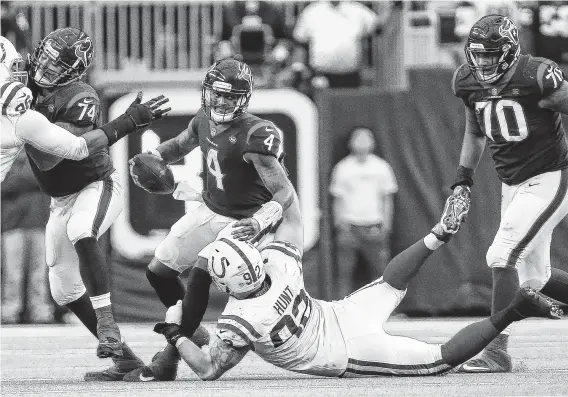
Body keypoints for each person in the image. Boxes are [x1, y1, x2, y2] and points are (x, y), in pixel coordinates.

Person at [152, 182, 562, 380]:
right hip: (338, 314)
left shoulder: (241, 318)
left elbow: (208, 368)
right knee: (388, 284)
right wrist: (261, 220)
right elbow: (290, 209)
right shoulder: (277, 261)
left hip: (343, 350)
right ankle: (437, 234)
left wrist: (177, 333)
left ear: (227, 285)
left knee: (440, 360)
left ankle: (514, 310)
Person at [124, 55, 296, 382]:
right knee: (159, 271)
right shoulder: (204, 117)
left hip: (246, 220)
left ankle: (170, 357)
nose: (220, 101)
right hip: (211, 206)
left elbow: (284, 192)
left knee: (202, 271)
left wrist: (261, 221)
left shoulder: (255, 135)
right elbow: (180, 145)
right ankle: (195, 331)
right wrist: (155, 157)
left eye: (229, 96)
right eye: (216, 94)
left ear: (243, 100)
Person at [23, 27, 170, 380]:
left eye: (56, 64)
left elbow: (58, 154)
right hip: (60, 199)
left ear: (74, 71)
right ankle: (126, 360)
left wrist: (124, 123)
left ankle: (108, 325)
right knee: (62, 289)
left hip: (96, 184)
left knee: (81, 228)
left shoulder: (79, 95)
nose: (45, 67)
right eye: (43, 57)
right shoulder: (18, 82)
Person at [447, 14, 568, 373]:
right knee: (536, 279)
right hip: (511, 182)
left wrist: (548, 104)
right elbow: (475, 133)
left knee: (501, 256)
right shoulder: (467, 81)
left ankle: (496, 350)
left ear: (511, 51)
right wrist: (462, 179)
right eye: (478, 54)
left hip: (549, 177)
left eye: (490, 54)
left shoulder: (536, 75)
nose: (482, 62)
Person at [0, 36, 162, 182]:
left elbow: (49, 160)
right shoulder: (22, 112)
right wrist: (126, 122)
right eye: (13, 66)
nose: (18, 71)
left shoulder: (75, 97)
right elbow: (73, 150)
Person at [330, 127, 398, 298]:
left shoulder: (381, 167)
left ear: (372, 143)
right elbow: (337, 198)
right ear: (350, 143)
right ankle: (342, 308)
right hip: (349, 227)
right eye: (357, 139)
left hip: (374, 226)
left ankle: (384, 307)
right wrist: (340, 224)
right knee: (344, 272)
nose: (361, 143)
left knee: (381, 273)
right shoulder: (342, 168)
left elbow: (387, 198)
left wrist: (386, 225)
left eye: (365, 139)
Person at [292, 1, 385, 89]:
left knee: (349, 104)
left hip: (351, 77)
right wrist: (298, 68)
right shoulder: (311, 12)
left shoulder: (357, 11)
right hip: (320, 77)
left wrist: (391, 8)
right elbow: (300, 42)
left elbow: (378, 27)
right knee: (322, 105)